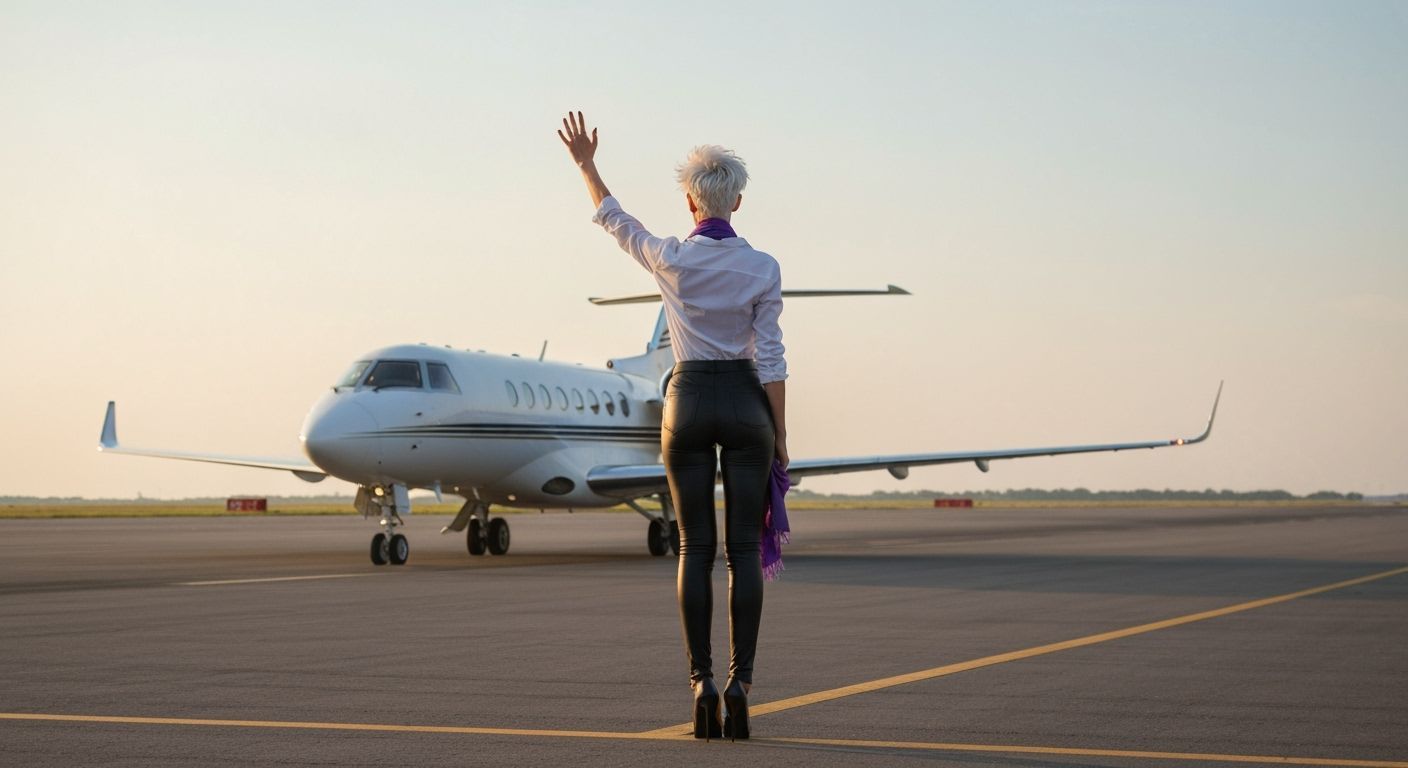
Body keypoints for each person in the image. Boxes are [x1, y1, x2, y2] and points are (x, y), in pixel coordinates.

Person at [558, 111, 788, 741]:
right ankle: (741, 686)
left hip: (684, 400)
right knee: (744, 550)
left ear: (690, 202)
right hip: (745, 401)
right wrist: (781, 436)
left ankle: (701, 684)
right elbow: (772, 358)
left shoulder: (668, 258)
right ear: (737, 201)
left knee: (694, 547)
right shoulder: (764, 268)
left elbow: (615, 218)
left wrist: (586, 164)